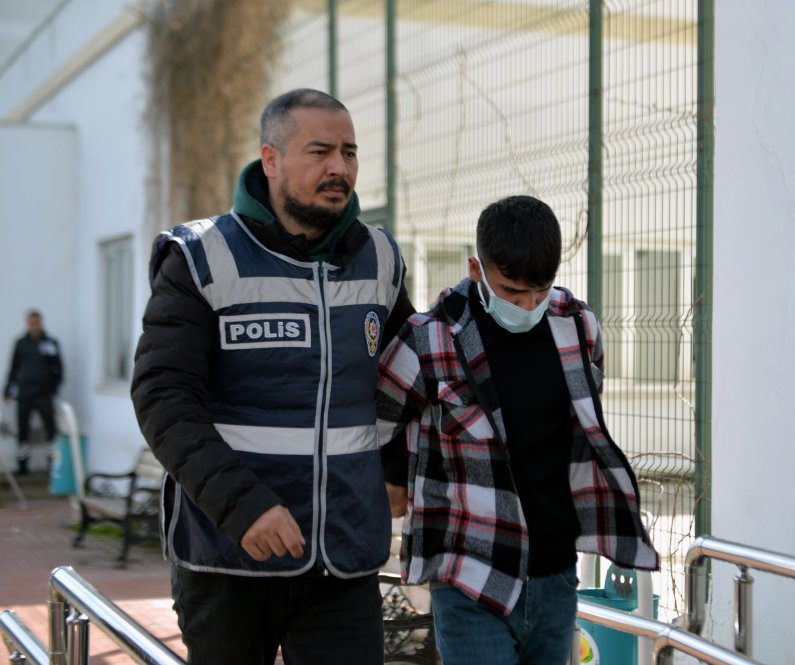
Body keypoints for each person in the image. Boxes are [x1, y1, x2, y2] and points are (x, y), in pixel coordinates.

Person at [131, 88, 414, 665]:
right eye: (320, 152)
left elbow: (405, 379)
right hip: (228, 555)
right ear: (271, 159)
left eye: (349, 152)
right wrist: (244, 507)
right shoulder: (201, 256)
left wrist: (396, 468)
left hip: (344, 554)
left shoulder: (381, 259)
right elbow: (163, 396)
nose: (340, 168)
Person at [376, 195, 659, 665]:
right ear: (476, 269)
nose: (527, 305)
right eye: (510, 291)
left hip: (556, 575)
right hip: (470, 573)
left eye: (539, 290)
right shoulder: (429, 339)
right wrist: (398, 480)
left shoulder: (579, 327)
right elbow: (376, 423)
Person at [4, 310, 63, 475]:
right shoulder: (21, 343)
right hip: (25, 393)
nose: (34, 326)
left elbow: (58, 368)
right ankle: (23, 465)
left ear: (41, 323)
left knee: (50, 429)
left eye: (36, 323)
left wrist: (53, 388)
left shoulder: (50, 342)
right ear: (27, 324)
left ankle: (52, 463)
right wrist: (8, 390)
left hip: (44, 393)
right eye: (31, 323)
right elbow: (14, 367)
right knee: (23, 430)